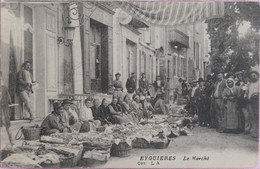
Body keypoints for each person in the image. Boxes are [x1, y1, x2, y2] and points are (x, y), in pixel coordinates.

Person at [246, 70, 259, 138]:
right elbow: (247, 92)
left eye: (254, 76)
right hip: (250, 102)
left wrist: (256, 94)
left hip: (257, 102)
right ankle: (255, 132)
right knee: (252, 117)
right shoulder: (250, 84)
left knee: (258, 117)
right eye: (251, 76)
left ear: (257, 76)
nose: (253, 77)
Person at [1, 81, 14, 145]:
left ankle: (11, 141)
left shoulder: (4, 88)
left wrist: (10, 102)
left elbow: (8, 97)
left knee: (7, 126)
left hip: (4, 110)